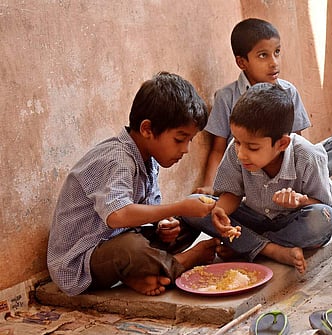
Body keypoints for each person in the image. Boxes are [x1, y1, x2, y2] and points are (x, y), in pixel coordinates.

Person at [47, 72, 219, 297]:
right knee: (132, 250)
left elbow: (145, 214)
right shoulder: (116, 159)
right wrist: (177, 207)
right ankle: (182, 262)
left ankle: (140, 275)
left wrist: (163, 224)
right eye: (179, 139)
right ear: (147, 129)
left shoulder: (149, 159)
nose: (185, 149)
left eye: (190, 140)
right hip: (83, 262)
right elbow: (118, 215)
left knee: (191, 217)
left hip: (122, 239)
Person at [195, 18, 332, 197]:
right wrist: (209, 186)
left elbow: (297, 144)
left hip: (287, 170)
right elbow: (217, 149)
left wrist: (312, 167)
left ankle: (316, 183)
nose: (274, 62)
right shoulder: (226, 97)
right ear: (242, 62)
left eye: (277, 52)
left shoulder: (288, 91)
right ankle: (327, 187)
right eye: (263, 55)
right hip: (248, 172)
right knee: (199, 201)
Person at [184, 83, 332, 274]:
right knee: (192, 205)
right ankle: (271, 250)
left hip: (289, 222)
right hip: (253, 217)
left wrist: (300, 201)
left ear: (282, 143)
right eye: (238, 142)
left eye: (253, 147)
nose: (241, 153)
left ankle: (246, 246)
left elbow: (325, 205)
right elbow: (232, 194)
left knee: (324, 220)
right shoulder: (237, 150)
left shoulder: (308, 156)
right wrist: (219, 212)